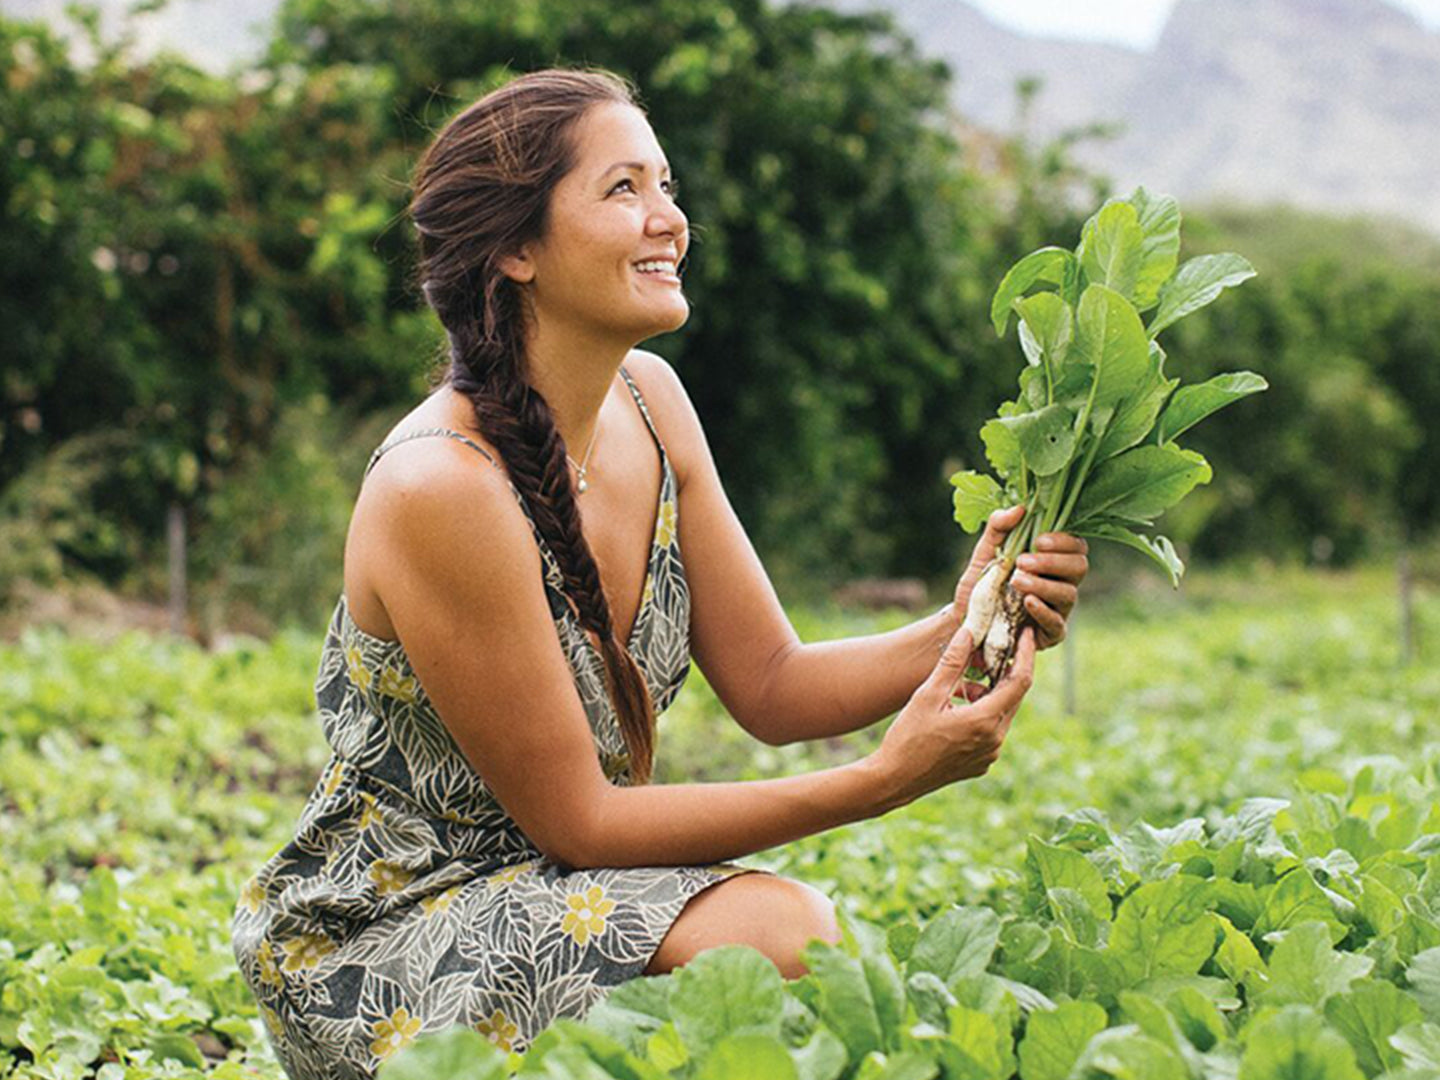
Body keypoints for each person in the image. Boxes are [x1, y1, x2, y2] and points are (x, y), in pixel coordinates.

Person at [230, 67, 1088, 1078]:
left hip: (554, 885)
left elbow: (772, 682)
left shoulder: (651, 401)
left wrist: (974, 617)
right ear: (514, 249)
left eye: (666, 186)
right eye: (623, 190)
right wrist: (880, 781)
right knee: (780, 936)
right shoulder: (442, 488)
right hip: (385, 938)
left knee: (785, 944)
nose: (669, 220)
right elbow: (584, 823)